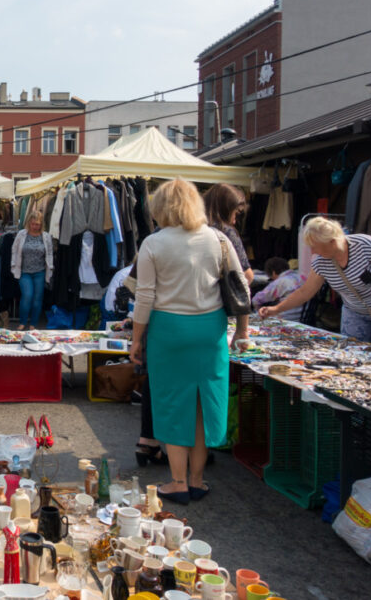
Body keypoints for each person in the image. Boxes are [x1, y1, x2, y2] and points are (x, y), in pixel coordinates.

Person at [129, 179, 249, 504]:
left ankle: (177, 481)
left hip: (168, 329)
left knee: (172, 405)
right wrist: (243, 331)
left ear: (160, 207)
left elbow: (144, 297)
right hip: (209, 330)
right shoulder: (218, 239)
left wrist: (136, 339)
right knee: (200, 405)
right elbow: (241, 288)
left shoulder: (154, 243)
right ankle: (197, 479)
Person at [259, 216, 371, 349]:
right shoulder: (320, 261)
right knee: (354, 352)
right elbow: (305, 292)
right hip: (354, 310)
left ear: (332, 242)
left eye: (315, 247)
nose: (313, 252)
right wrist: (276, 309)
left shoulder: (365, 245)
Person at [203, 183, 254, 285]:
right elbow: (247, 276)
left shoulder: (192, 227)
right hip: (217, 296)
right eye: (235, 213)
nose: (235, 221)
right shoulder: (225, 231)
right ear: (226, 210)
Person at [10, 211, 53, 330]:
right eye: (33, 224)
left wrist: (50, 268)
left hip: (40, 271)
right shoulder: (21, 235)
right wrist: (13, 265)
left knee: (37, 298)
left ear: (41, 224)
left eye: (38, 224)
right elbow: (14, 250)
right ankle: (22, 322)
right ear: (29, 223)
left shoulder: (46, 236)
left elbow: (49, 253)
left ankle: (33, 324)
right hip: (24, 272)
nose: (35, 226)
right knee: (27, 295)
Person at [252, 257, 307, 321]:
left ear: (273, 273)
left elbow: (256, 299)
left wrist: (259, 311)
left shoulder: (279, 282)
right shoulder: (302, 277)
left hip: (286, 319)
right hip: (304, 318)